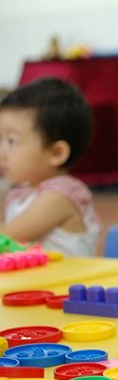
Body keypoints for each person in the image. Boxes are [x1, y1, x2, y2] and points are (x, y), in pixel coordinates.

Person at [0, 77, 100, 256]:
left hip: (67, 284)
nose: (2, 153)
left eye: (11, 141)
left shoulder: (59, 195)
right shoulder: (18, 194)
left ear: (57, 153)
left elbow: (6, 237)